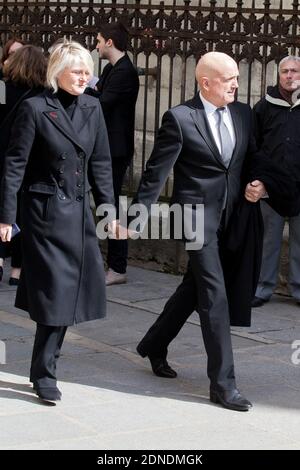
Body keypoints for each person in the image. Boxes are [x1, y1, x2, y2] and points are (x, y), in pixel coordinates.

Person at [127, 52, 266, 411]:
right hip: (194, 218)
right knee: (214, 295)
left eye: (237, 76)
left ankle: (154, 344)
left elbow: (250, 156)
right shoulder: (180, 117)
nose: (236, 83)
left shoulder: (242, 113)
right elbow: (156, 172)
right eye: (228, 78)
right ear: (205, 82)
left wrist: (259, 183)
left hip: (234, 217)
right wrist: (136, 217)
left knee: (193, 288)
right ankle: (223, 384)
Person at [0, 40, 115, 403]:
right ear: (57, 72)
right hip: (44, 216)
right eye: (77, 71)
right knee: (54, 295)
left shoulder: (93, 108)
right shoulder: (34, 108)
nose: (85, 77)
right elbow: (14, 165)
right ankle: (45, 373)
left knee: (68, 295)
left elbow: (101, 163)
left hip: (78, 217)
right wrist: (5, 216)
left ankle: (43, 368)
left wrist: (108, 208)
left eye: (88, 71)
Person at [87, 21, 139, 286]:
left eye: (98, 41)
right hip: (105, 148)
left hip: (115, 151)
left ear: (109, 42)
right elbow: (98, 93)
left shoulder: (125, 72)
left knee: (111, 205)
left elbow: (102, 102)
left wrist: (82, 87)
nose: (96, 46)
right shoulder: (112, 69)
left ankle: (118, 267)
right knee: (105, 205)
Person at [251, 56, 300, 308]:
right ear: (278, 75)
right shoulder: (264, 107)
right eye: (285, 71)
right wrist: (258, 179)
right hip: (271, 187)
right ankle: (262, 288)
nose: (289, 75)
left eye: (294, 71)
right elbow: (254, 145)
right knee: (268, 240)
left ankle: (299, 290)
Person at [0, 45, 47, 285]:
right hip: (26, 160)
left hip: (2, 155)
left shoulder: (2, 88)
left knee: (2, 209)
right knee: (20, 213)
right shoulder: (41, 96)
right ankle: (17, 270)